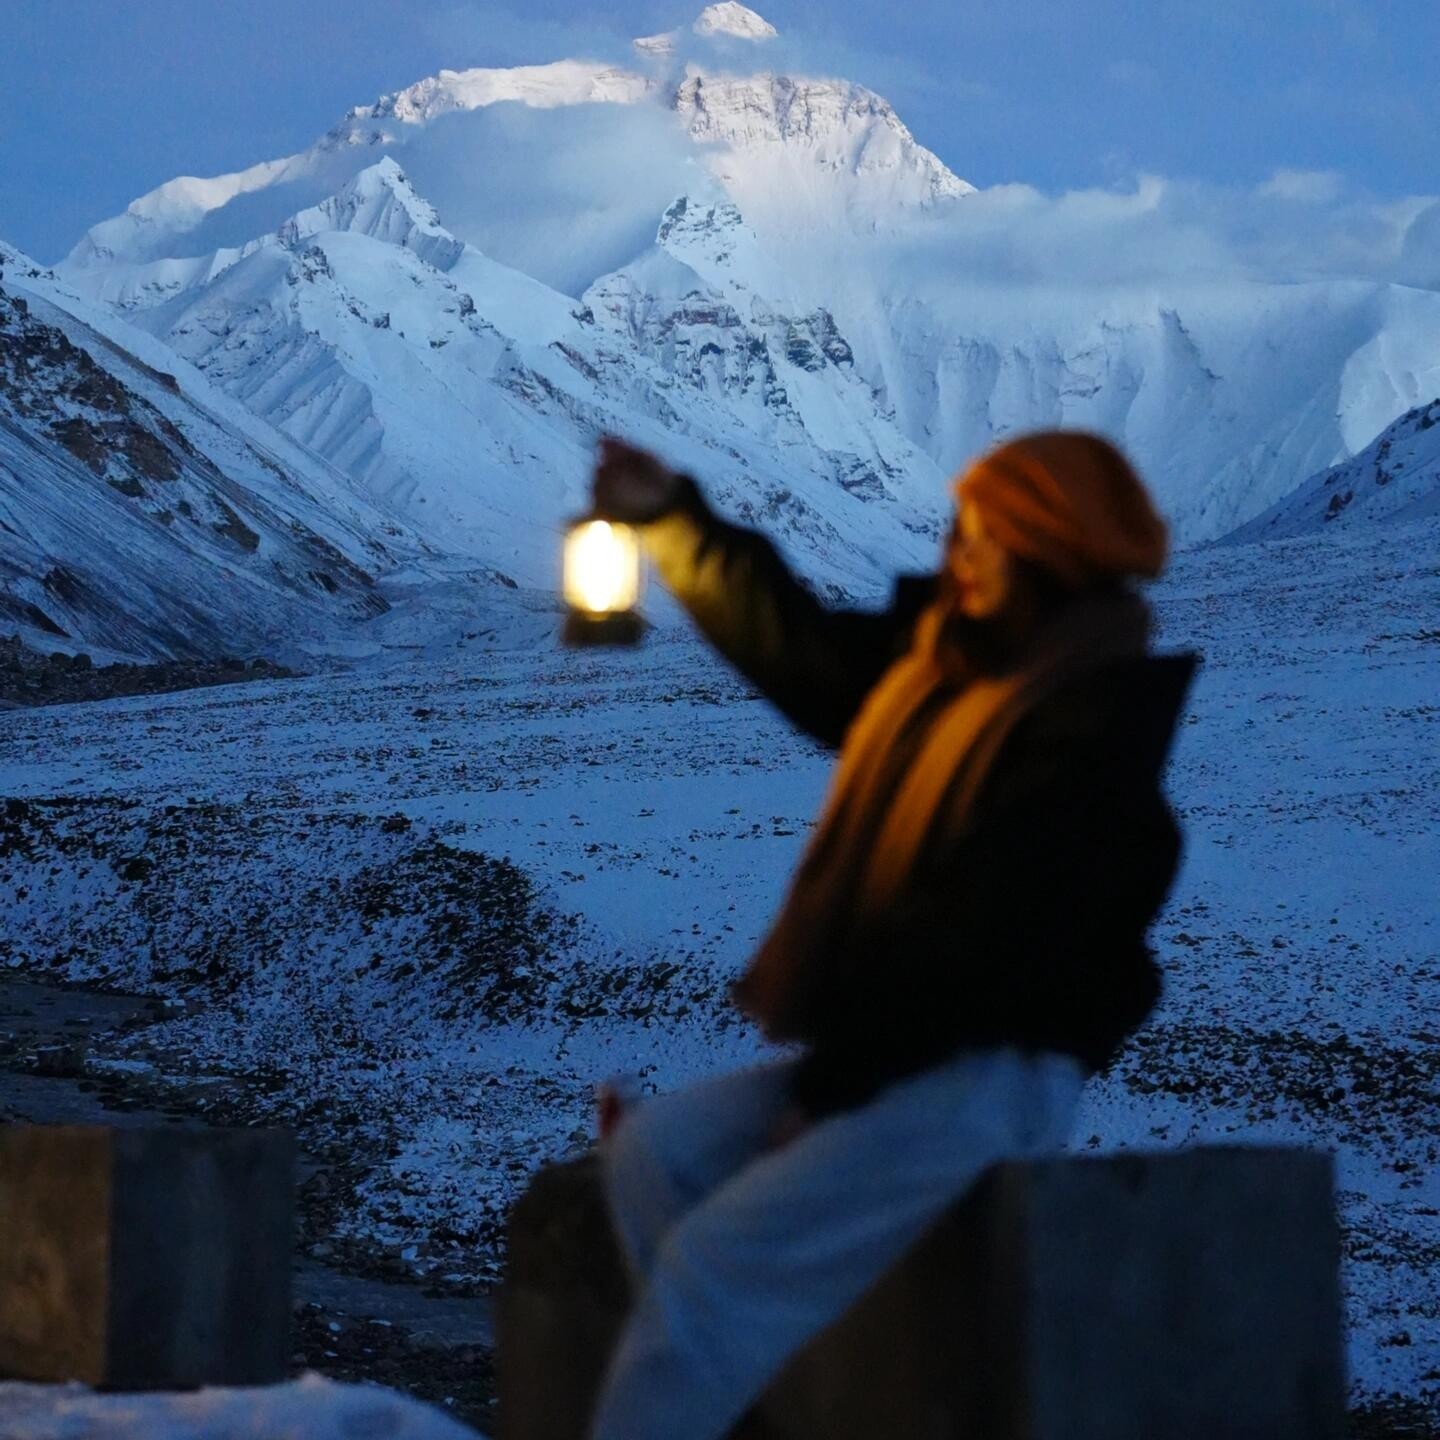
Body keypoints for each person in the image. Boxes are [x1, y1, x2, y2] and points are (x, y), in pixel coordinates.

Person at [585, 430, 1198, 1440]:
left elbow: (972, 957)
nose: (957, 556)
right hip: (895, 1052)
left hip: (986, 1076)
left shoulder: (1083, 738)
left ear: (1043, 551)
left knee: (714, 1265)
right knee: (660, 1157)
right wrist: (671, 517)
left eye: (981, 539)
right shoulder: (944, 672)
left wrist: (829, 1100)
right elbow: (802, 649)